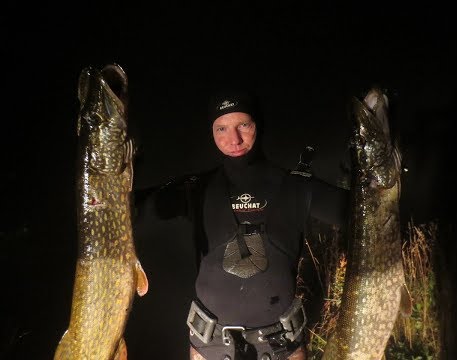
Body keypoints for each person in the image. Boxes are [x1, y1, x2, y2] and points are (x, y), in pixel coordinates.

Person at [133, 88, 349, 360]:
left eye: (243, 125)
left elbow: (367, 213)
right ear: (211, 132)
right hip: (209, 346)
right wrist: (127, 153)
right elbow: (129, 207)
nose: (233, 139)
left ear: (258, 125)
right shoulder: (196, 189)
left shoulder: (297, 187)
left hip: (282, 347)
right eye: (221, 128)